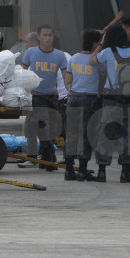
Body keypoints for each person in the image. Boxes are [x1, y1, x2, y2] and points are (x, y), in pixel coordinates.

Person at [91, 26, 130, 183]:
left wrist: (101, 43)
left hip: (111, 98)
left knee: (106, 133)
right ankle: (125, 173)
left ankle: (101, 172)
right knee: (128, 135)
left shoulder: (107, 52)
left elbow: (91, 60)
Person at [22, 24, 69, 169]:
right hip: (36, 96)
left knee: (49, 129)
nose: (48, 38)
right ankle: (47, 159)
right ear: (39, 37)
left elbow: (65, 77)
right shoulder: (31, 53)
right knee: (38, 127)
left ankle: (45, 158)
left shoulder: (60, 55)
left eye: (50, 35)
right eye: (45, 35)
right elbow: (22, 72)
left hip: (52, 97)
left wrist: (69, 92)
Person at [63, 29, 103, 182]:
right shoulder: (97, 60)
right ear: (94, 44)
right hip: (90, 100)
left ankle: (68, 170)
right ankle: (82, 169)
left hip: (73, 98)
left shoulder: (73, 58)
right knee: (87, 135)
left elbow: (68, 81)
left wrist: (70, 91)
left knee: (71, 134)